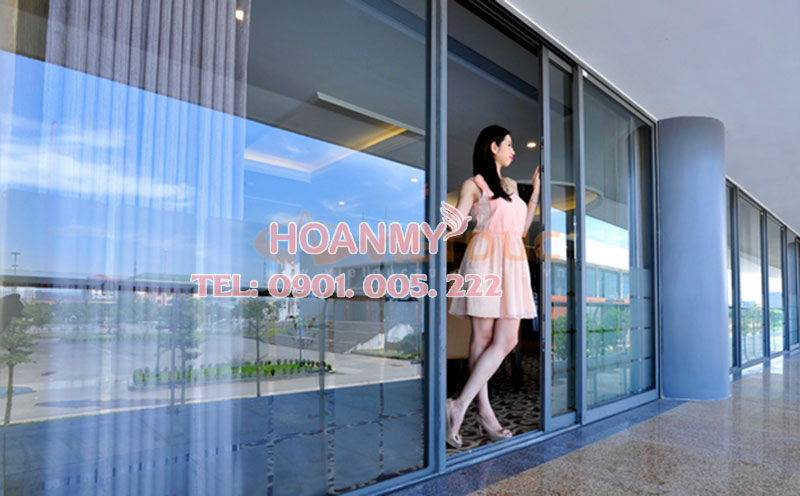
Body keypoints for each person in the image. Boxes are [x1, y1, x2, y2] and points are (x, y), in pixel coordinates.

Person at [445, 124, 540, 449]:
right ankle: (484, 412)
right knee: (483, 337)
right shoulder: (474, 184)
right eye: (508, 144)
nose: (513, 150)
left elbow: (522, 229)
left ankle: (459, 404)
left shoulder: (510, 185)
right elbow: (457, 221)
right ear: (493, 147)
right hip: (485, 259)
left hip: (511, 260)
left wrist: (535, 192)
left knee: (508, 339)